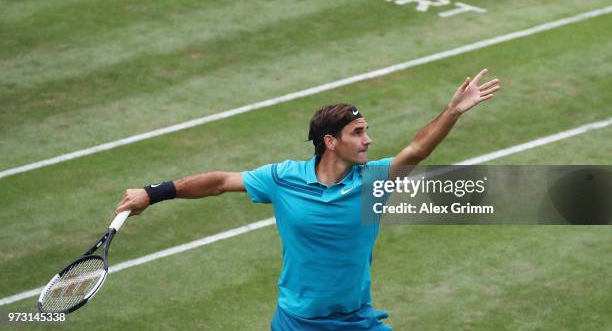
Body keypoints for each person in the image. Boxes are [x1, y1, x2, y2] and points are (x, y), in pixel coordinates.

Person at [115, 69, 500, 330]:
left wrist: (452, 111)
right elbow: (218, 182)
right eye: (358, 132)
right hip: (296, 323)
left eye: (367, 131)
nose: (368, 140)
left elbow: (416, 150)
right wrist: (153, 193)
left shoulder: (375, 179)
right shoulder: (282, 179)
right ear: (331, 142)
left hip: (356, 320)